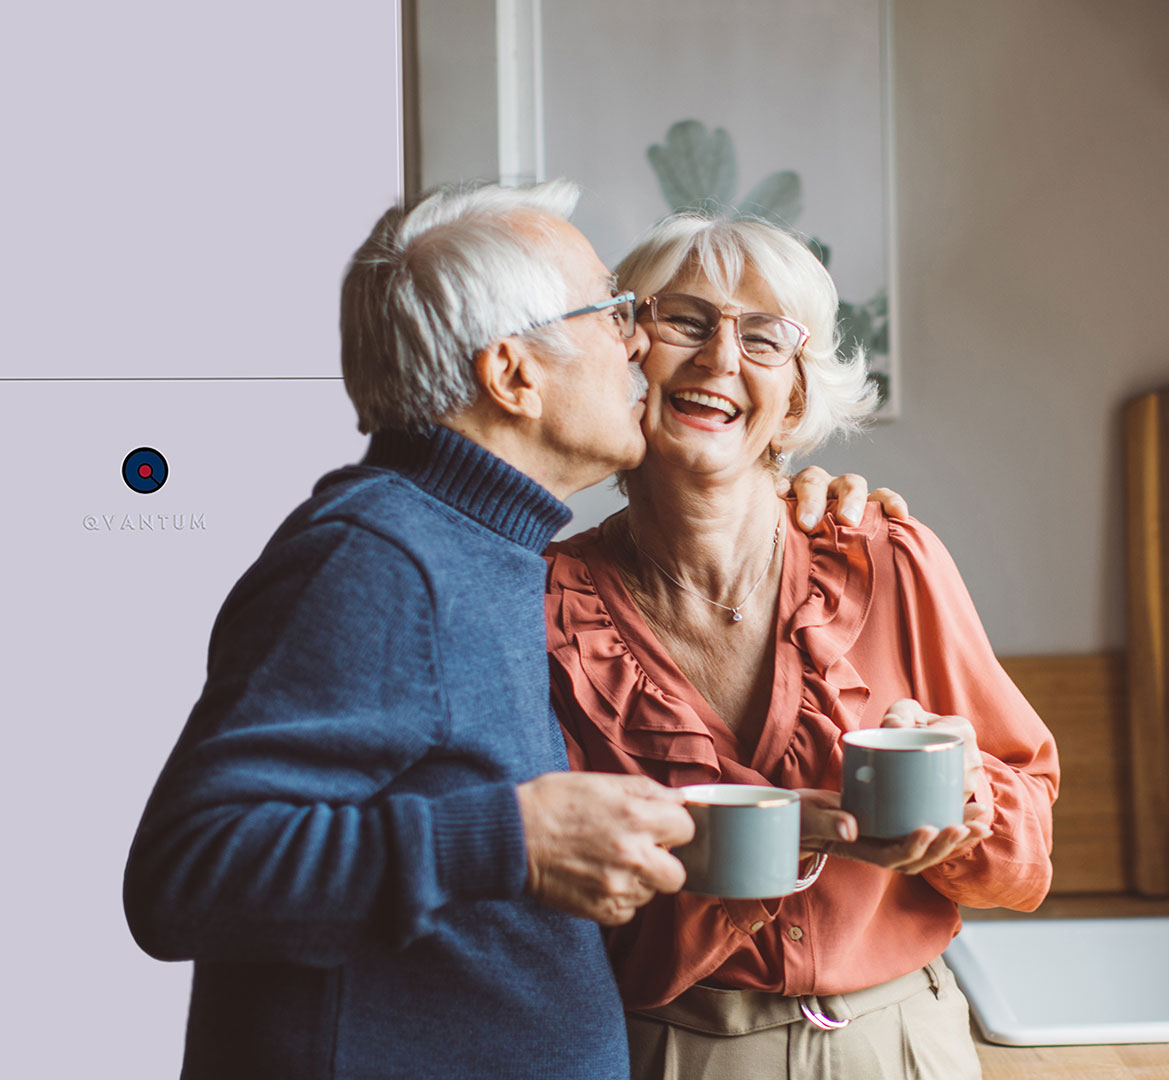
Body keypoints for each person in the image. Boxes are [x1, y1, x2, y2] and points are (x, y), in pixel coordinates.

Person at [122, 180, 888, 1080]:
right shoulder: (378, 560)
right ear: (513, 374)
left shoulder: (484, 546)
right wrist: (511, 842)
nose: (640, 339)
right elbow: (185, 876)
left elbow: (450, 802)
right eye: (611, 311)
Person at [546, 211, 1059, 1079]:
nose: (719, 360)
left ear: (794, 401)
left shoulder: (889, 556)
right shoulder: (545, 608)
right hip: (669, 1050)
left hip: (900, 1043)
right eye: (686, 321)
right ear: (627, 357)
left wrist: (969, 804)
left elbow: (1029, 861)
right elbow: (547, 911)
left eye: (764, 338)